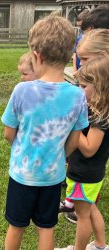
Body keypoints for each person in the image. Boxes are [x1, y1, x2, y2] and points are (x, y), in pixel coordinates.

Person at [1, 15, 88, 250]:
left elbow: (9, 134)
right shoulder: (78, 95)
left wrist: (22, 148)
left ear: (37, 55)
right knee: (46, 227)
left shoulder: (21, 90)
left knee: (16, 226)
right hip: (53, 176)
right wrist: (59, 154)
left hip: (22, 174)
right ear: (70, 53)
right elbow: (75, 139)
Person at [55, 56, 109, 250]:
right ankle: (101, 245)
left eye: (84, 87)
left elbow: (88, 149)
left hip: (85, 174)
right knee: (90, 208)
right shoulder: (96, 109)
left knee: (82, 216)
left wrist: (72, 124)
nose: (79, 90)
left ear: (101, 87)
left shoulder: (100, 118)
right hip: (90, 174)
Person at [72, 10, 89, 74]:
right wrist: (74, 70)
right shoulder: (79, 37)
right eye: (78, 26)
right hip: (78, 71)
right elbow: (75, 54)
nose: (80, 28)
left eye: (81, 25)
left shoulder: (93, 40)